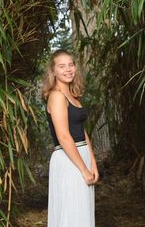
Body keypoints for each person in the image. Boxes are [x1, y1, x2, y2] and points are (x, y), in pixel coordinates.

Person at [42, 49, 99, 227]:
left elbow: (82, 131)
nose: (68, 69)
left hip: (81, 155)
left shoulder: (73, 96)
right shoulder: (57, 96)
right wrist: (83, 169)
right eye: (62, 66)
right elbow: (64, 136)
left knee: (82, 212)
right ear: (54, 71)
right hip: (68, 159)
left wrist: (93, 161)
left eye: (71, 65)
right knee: (72, 213)